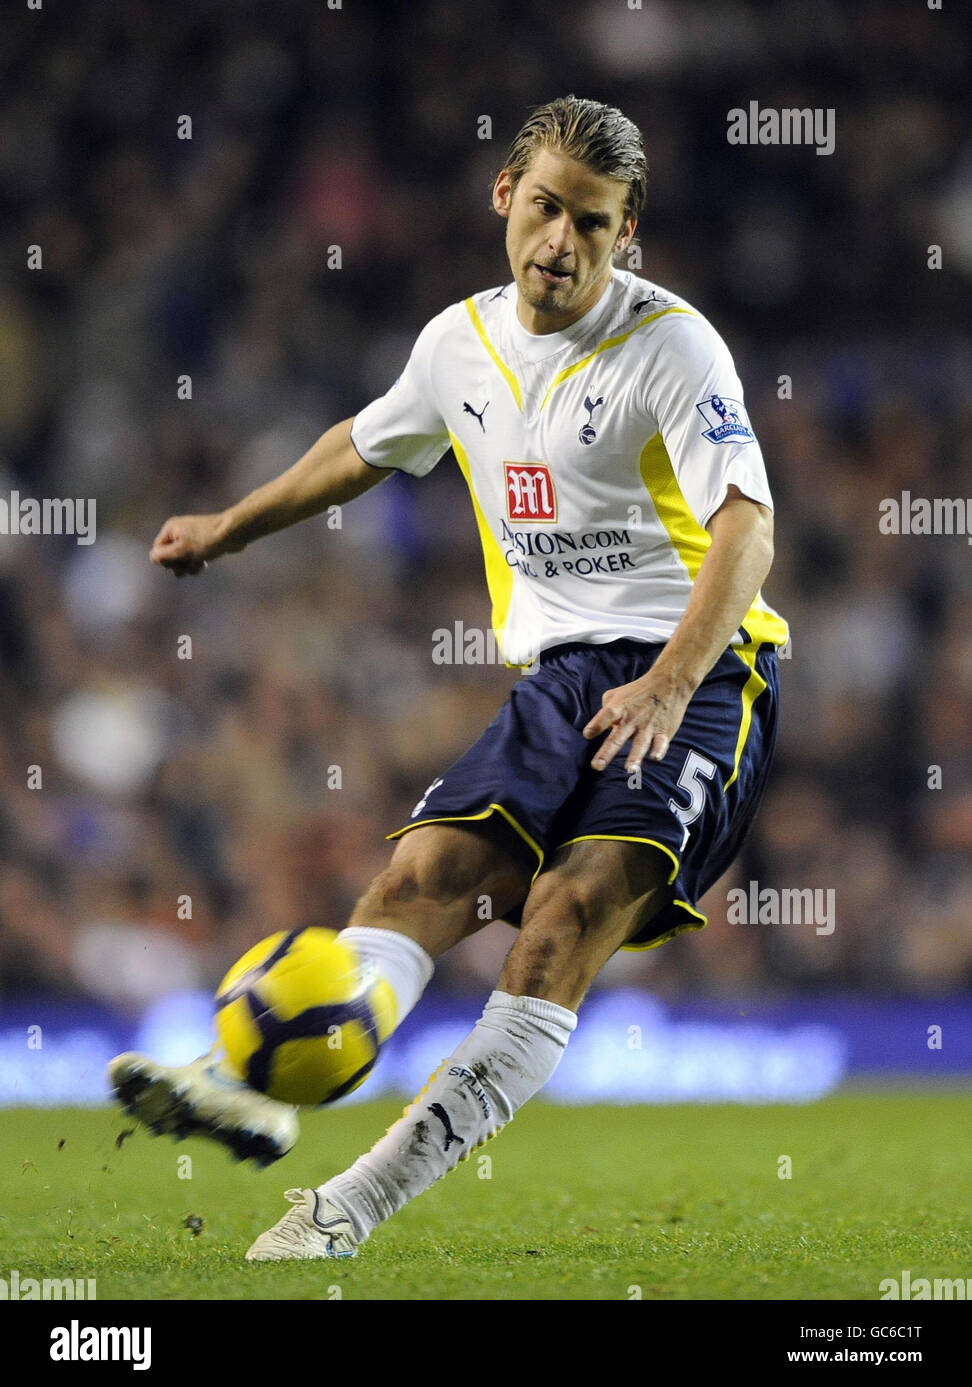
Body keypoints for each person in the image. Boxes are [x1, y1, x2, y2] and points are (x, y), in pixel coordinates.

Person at [109, 95, 788, 1261]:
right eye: (544, 208)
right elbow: (361, 447)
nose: (560, 242)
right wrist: (229, 524)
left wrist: (673, 683)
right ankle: (254, 1083)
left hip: (704, 676)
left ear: (627, 234)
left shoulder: (673, 344)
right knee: (426, 872)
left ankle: (348, 1206)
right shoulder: (455, 344)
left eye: (593, 221)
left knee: (562, 922)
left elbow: (745, 530)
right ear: (503, 198)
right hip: (563, 677)